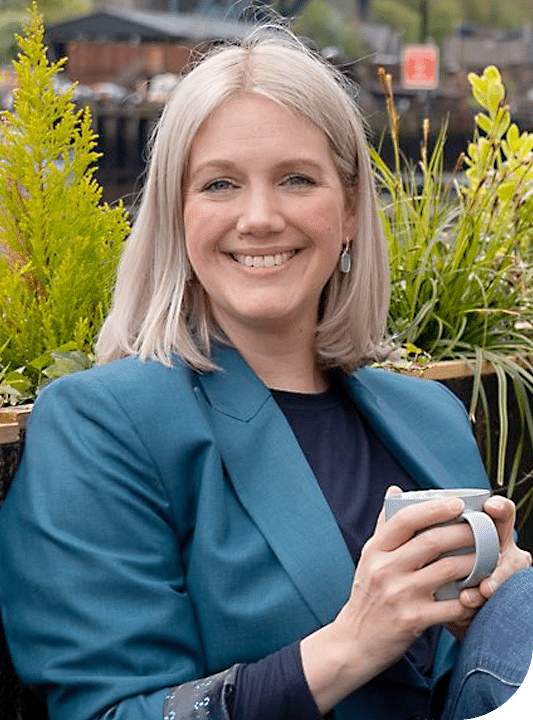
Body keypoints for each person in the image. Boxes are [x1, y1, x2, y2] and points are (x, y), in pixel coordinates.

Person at [0, 25, 532, 720]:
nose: (258, 217)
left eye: (295, 179)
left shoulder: (428, 418)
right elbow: (109, 712)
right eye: (219, 183)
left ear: (346, 211)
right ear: (177, 216)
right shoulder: (102, 424)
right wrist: (352, 642)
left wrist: (490, 618)